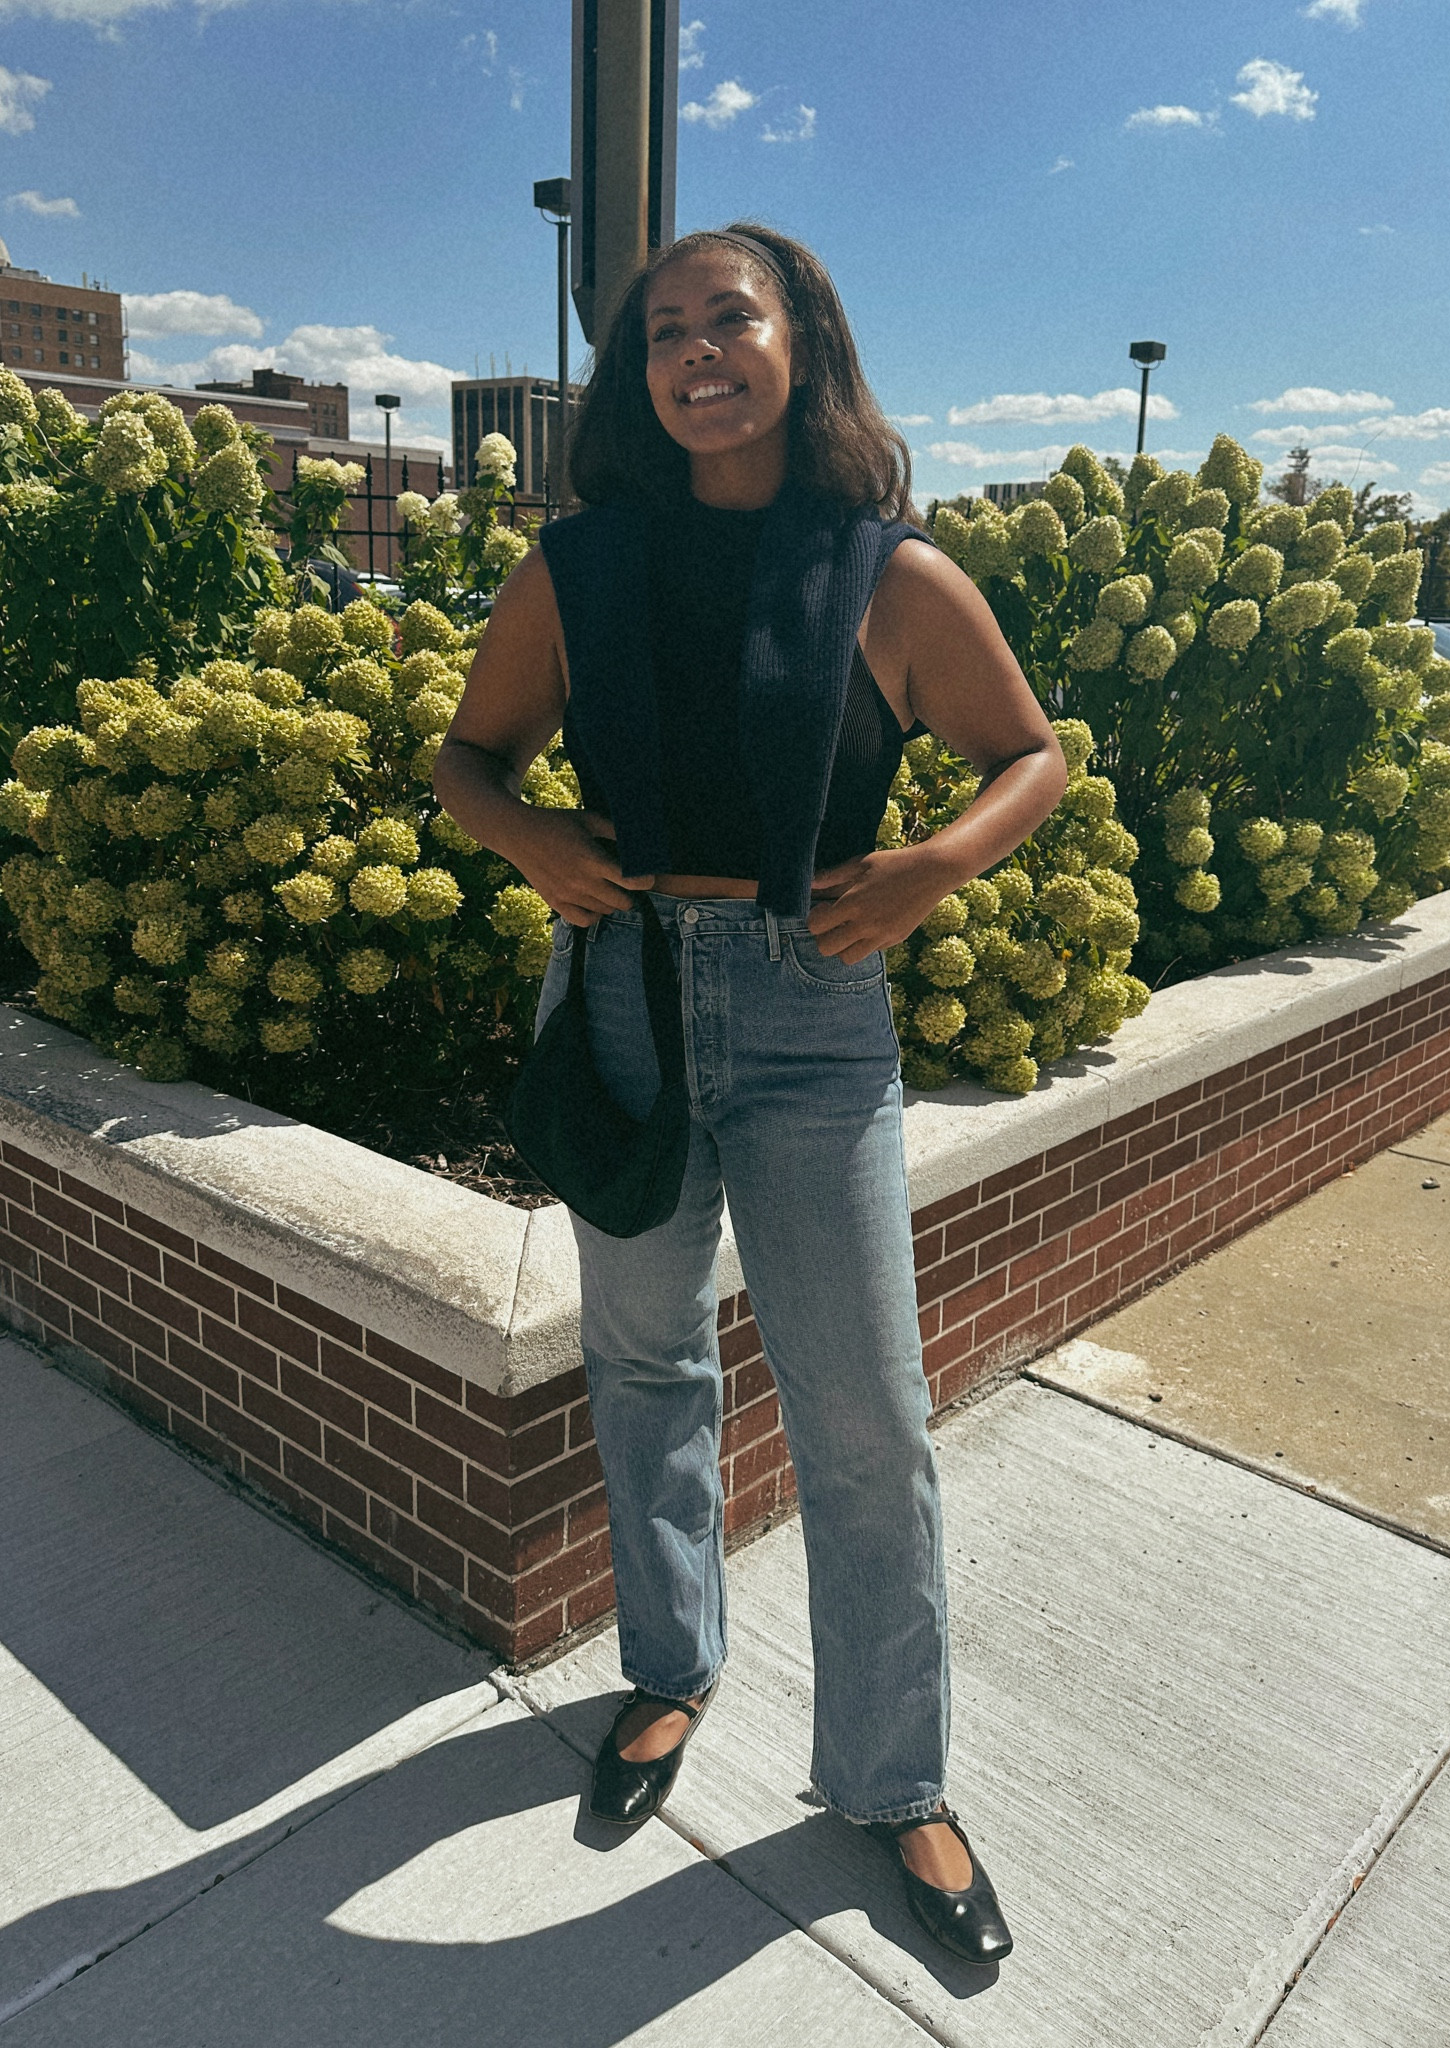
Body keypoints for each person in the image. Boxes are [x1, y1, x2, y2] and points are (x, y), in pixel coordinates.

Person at [435, 222, 1066, 1967]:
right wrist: (536, 841)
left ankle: (893, 1780)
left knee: (867, 1419)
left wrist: (930, 865)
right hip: (625, 999)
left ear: (805, 344)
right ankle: (668, 1665)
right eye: (663, 336)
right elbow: (462, 760)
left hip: (811, 1022)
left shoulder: (885, 573)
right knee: (643, 1356)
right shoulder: (577, 569)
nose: (697, 355)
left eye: (733, 320)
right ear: (637, 377)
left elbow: (1036, 755)